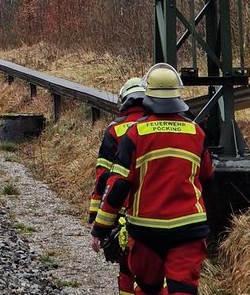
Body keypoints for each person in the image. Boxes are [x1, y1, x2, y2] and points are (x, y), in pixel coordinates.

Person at [91, 63, 213, 295]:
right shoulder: (196, 132)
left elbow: (118, 185)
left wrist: (100, 228)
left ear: (147, 95)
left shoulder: (136, 133)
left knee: (147, 288)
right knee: (183, 288)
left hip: (146, 229)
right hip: (189, 228)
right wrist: (208, 223)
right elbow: (207, 180)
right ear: (178, 95)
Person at [88, 77, 146, 295]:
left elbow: (103, 176)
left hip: (121, 208)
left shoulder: (116, 130)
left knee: (127, 265)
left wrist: (96, 218)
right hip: (155, 208)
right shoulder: (156, 126)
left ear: (124, 100)